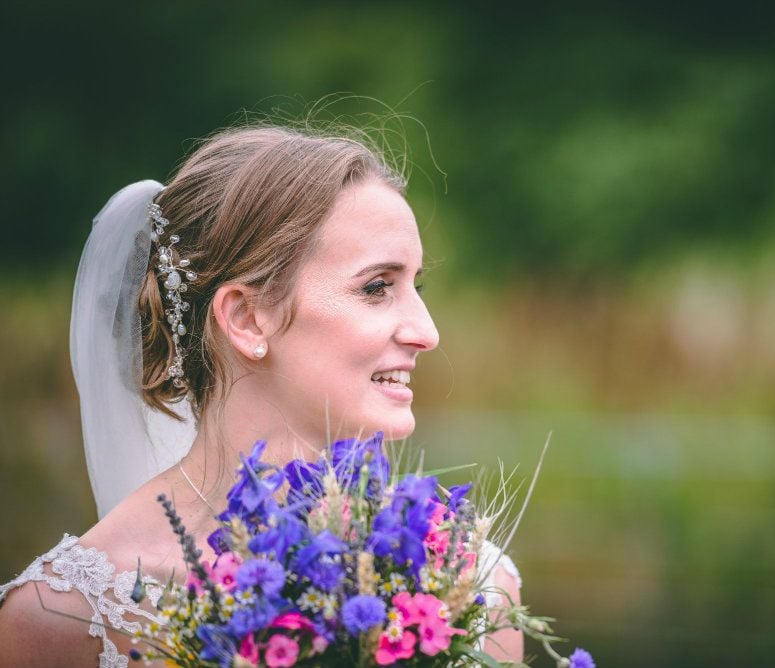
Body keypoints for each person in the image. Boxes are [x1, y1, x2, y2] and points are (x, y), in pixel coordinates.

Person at [0, 125, 523, 666]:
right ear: (247, 319)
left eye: (418, 286)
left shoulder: (470, 590)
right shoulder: (64, 618)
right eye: (376, 288)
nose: (426, 331)